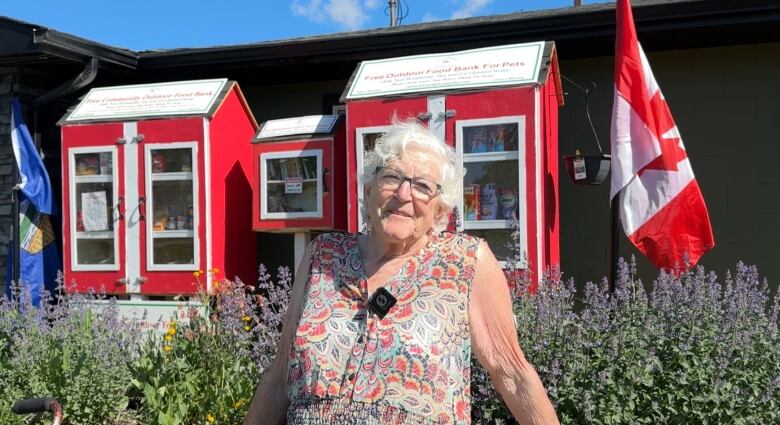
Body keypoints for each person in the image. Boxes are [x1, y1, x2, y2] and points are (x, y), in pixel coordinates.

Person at [245, 120, 559, 425]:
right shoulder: (323, 256)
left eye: (422, 186)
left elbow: (513, 374)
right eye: (391, 177)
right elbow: (279, 377)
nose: (404, 194)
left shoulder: (466, 261)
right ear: (368, 192)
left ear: (441, 210)